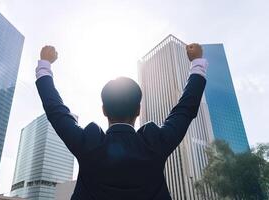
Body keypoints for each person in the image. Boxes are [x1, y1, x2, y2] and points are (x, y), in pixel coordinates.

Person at [35, 43, 207, 200]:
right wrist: (196, 62)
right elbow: (185, 110)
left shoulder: (88, 144)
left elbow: (55, 111)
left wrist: (45, 63)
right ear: (138, 111)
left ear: (104, 110)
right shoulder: (155, 144)